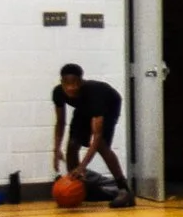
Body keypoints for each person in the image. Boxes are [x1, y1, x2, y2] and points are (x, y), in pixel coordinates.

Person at [50, 64, 134, 208]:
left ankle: (124, 190)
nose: (71, 88)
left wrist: (83, 166)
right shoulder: (58, 92)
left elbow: (97, 136)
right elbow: (60, 122)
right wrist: (56, 149)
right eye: (67, 84)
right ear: (61, 82)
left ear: (81, 81)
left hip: (109, 105)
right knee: (72, 144)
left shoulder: (94, 94)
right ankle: (78, 186)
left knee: (102, 146)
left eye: (75, 83)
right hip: (83, 108)